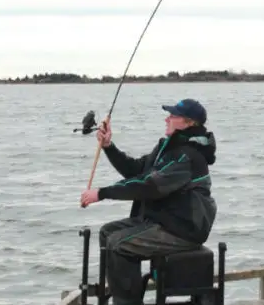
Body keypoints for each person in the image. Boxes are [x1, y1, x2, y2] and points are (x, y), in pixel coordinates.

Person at [80, 98, 217, 305]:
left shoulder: (188, 156)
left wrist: (102, 193)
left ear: (189, 123)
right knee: (107, 233)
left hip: (183, 229)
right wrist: (109, 146)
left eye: (172, 116)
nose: (166, 119)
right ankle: (123, 297)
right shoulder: (167, 148)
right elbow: (135, 170)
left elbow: (150, 186)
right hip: (163, 220)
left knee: (118, 245)